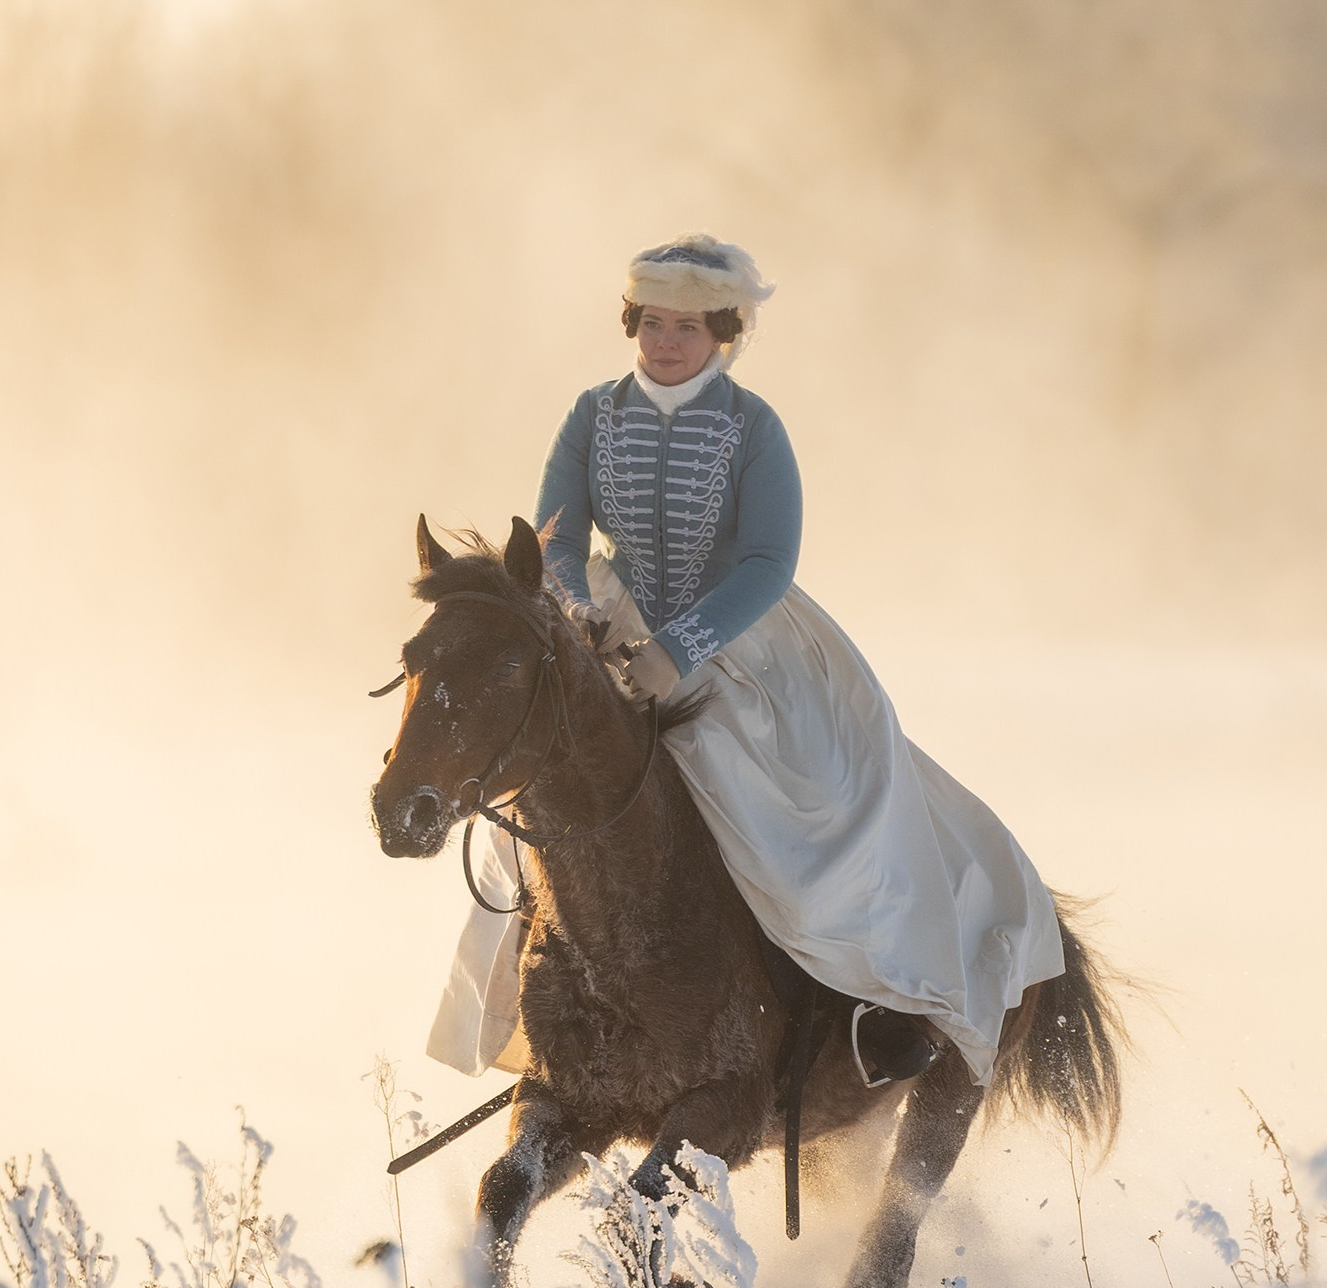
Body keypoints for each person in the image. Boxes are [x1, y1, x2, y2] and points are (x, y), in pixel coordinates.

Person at [425, 234, 1068, 1094]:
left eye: (686, 327)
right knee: (531, 802)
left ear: (722, 332)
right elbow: (555, 541)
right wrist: (578, 615)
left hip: (738, 636)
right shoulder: (591, 415)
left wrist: (677, 649)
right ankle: (534, 1000)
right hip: (605, 627)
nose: (664, 341)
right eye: (652, 323)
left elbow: (768, 561)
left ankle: (870, 1005)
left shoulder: (753, 427)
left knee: (806, 809)